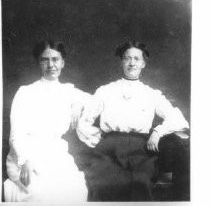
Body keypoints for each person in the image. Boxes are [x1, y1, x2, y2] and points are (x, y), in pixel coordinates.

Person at [76, 40, 190, 201]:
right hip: (108, 151)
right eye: (127, 58)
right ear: (121, 61)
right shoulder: (105, 91)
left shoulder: (151, 94)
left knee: (140, 182)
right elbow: (84, 122)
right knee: (103, 183)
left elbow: (178, 118)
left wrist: (157, 132)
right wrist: (101, 140)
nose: (131, 63)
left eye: (136, 59)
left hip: (141, 151)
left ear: (143, 63)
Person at [4, 40, 90, 203]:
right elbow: (16, 133)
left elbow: (96, 101)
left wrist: (79, 104)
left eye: (55, 59)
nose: (51, 65)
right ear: (39, 63)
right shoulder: (25, 92)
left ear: (62, 63)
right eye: (45, 60)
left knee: (75, 190)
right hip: (27, 151)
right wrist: (25, 160)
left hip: (56, 153)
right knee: (39, 193)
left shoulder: (69, 91)